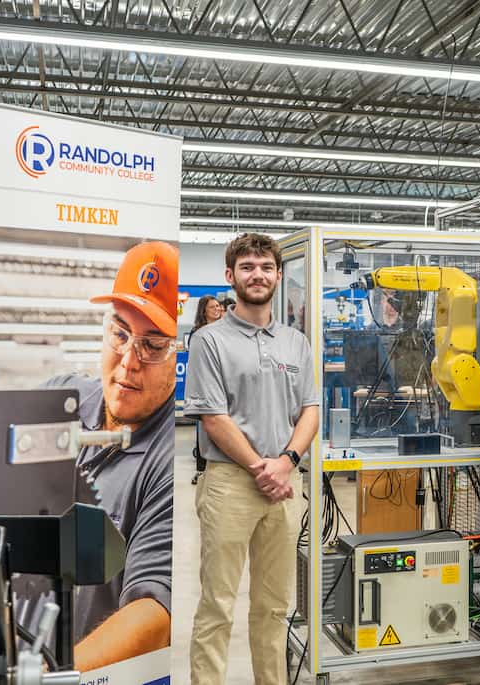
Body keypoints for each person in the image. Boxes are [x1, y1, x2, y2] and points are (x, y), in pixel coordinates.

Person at [186, 233, 319, 685]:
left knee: (274, 606)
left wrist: (286, 460)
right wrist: (261, 467)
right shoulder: (209, 340)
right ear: (231, 276)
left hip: (285, 483)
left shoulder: (295, 342)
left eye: (265, 267)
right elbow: (212, 416)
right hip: (229, 483)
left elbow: (311, 410)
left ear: (278, 276)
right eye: (247, 267)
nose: (257, 275)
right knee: (217, 603)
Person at [43, 240, 177, 671]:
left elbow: (154, 615)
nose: (127, 363)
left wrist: (48, 677)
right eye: (120, 334)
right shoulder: (57, 398)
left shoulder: (170, 457)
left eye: (153, 345)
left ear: (179, 356)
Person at [188, 294, 224, 484]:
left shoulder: (223, 331)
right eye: (213, 307)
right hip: (204, 388)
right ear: (204, 311)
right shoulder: (198, 334)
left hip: (220, 388)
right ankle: (202, 470)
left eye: (218, 306)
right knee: (203, 429)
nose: (218, 309)